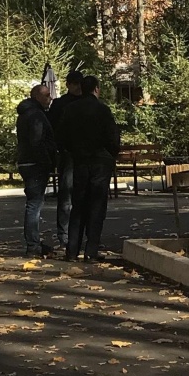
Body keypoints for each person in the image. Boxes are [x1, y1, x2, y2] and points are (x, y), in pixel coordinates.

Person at [62, 72, 121, 263]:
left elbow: (62, 135)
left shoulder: (70, 110)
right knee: (97, 205)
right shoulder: (102, 110)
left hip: (80, 160)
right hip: (100, 161)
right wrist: (110, 154)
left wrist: (74, 150)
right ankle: (91, 250)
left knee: (78, 205)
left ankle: (72, 250)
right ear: (96, 89)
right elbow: (113, 137)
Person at [14, 80, 58, 257]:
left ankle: (34, 241)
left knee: (35, 203)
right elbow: (37, 141)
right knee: (34, 204)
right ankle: (32, 244)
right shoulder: (36, 115)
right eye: (47, 95)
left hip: (26, 161)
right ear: (37, 96)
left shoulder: (25, 113)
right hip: (35, 164)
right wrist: (48, 160)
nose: (50, 98)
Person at [46, 70, 83, 254]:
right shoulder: (59, 105)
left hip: (84, 154)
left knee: (83, 196)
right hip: (68, 154)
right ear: (68, 84)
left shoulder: (87, 103)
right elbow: (52, 129)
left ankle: (81, 236)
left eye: (79, 83)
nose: (77, 87)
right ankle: (65, 236)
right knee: (66, 196)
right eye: (74, 83)